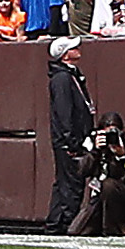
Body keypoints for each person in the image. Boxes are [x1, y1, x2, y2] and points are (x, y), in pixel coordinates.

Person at [71, 111, 125, 235]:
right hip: (99, 199)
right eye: (107, 133)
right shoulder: (92, 142)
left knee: (109, 185)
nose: (110, 137)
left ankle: (113, 230)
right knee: (76, 231)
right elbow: (82, 171)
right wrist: (95, 151)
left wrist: (121, 155)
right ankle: (112, 227)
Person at [44, 35, 92, 233]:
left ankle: (55, 223)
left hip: (71, 139)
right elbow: (64, 113)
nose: (78, 49)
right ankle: (66, 224)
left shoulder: (70, 75)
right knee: (71, 184)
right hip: (69, 142)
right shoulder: (63, 79)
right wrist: (72, 142)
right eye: (73, 48)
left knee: (64, 183)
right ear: (65, 55)